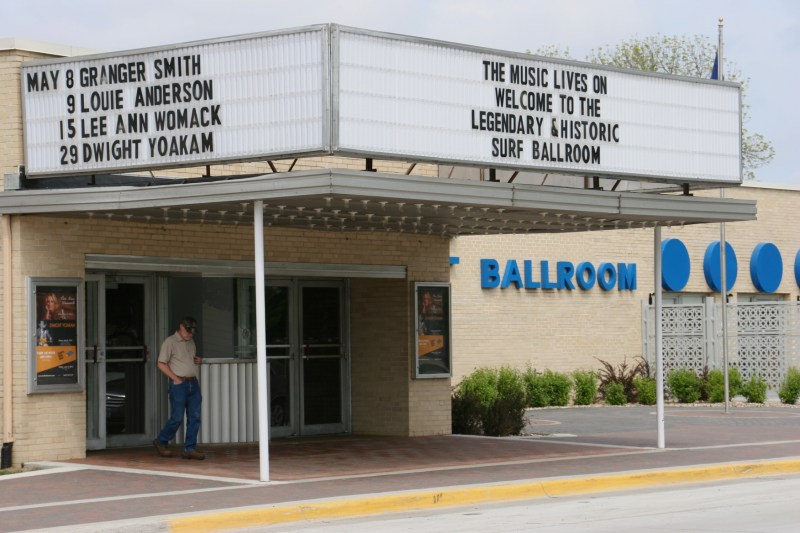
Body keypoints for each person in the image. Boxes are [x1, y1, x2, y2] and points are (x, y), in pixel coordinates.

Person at [152, 317, 205, 460]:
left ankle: (190, 448)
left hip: (193, 383)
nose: (190, 334)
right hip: (179, 384)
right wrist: (175, 378)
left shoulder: (191, 341)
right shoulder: (170, 342)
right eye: (188, 331)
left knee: (195, 417)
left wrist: (198, 361)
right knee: (177, 417)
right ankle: (161, 441)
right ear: (181, 327)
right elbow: (161, 363)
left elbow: (187, 360)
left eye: (192, 332)